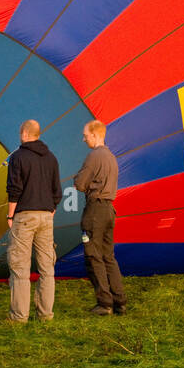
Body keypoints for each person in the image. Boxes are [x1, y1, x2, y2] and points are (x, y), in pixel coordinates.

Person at [5, 119, 61, 323]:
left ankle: (19, 316)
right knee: (47, 268)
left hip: (24, 216)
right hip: (46, 217)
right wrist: (50, 211)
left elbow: (14, 189)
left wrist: (10, 215)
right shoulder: (51, 158)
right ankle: (45, 315)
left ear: (24, 133)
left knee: (20, 267)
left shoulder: (19, 157)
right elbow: (57, 191)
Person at [73, 120, 125, 315]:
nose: (83, 138)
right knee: (108, 256)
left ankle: (105, 303)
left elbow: (80, 183)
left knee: (94, 256)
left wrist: (79, 180)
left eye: (86, 135)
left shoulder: (94, 156)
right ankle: (120, 301)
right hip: (109, 210)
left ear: (95, 135)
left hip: (95, 210)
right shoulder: (112, 157)